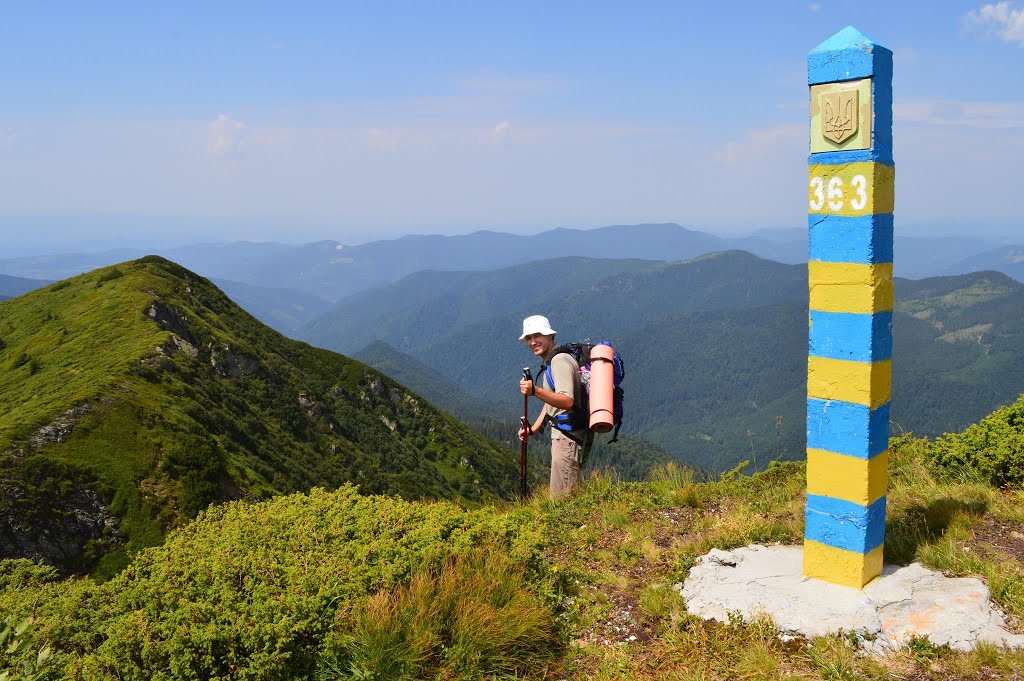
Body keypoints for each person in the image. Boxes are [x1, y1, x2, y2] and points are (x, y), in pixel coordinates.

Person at [518, 315, 586, 498]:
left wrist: (535, 391)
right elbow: (552, 401)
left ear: (550, 336)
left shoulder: (559, 361)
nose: (533, 342)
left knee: (561, 501)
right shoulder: (553, 360)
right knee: (564, 496)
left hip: (567, 440)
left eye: (537, 335)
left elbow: (567, 400)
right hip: (564, 437)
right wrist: (533, 429)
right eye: (529, 338)